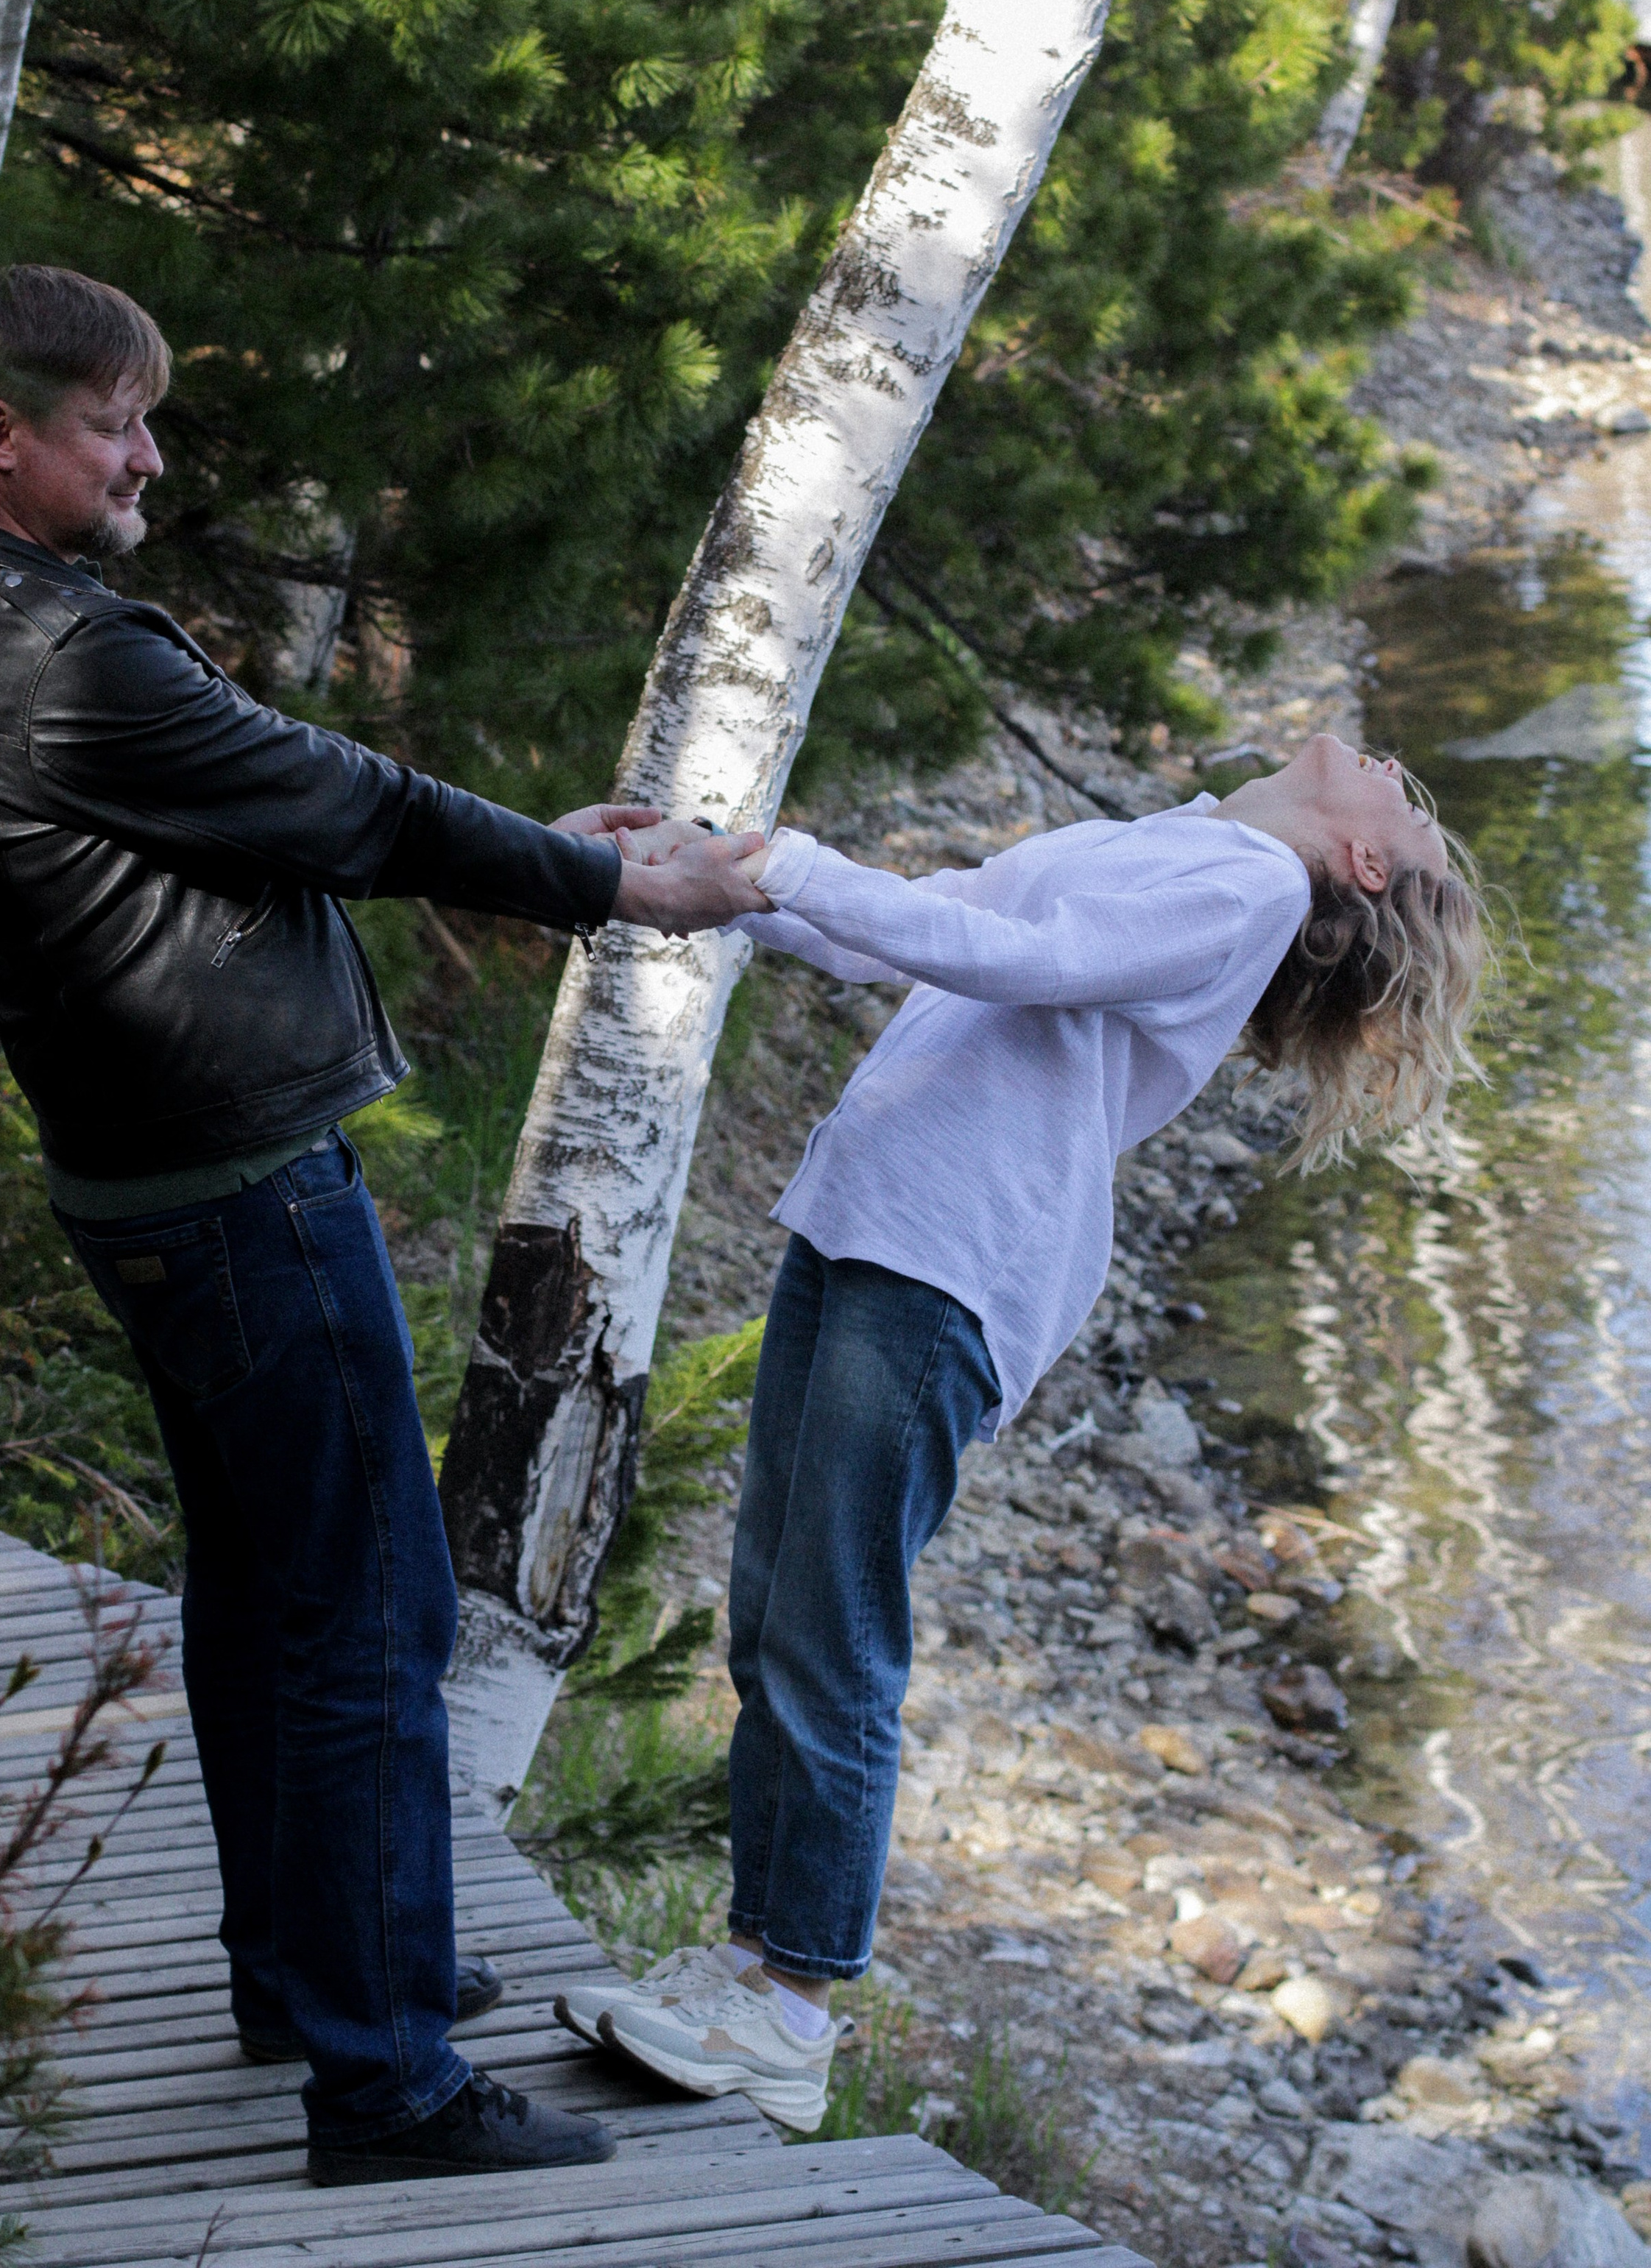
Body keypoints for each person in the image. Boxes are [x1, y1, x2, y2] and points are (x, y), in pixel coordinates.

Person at [0, 264, 761, 2186]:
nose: (149, 457)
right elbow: (337, 799)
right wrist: (621, 893)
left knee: (270, 1592)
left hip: (164, 1183)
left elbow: (270, 807)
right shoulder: (49, 650)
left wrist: (551, 848)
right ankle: (393, 2090)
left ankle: (308, 1975)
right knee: (371, 1615)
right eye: (116, 424)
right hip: (237, 1195)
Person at [555, 743, 1489, 2129]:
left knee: (831, 1624)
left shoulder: (1244, 888)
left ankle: (791, 2009)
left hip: (950, 1260)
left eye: (1409, 802)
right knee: (770, 1613)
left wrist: (787, 863)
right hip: (872, 1222)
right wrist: (725, 884)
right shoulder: (1174, 840)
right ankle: (750, 1964)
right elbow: (931, 922)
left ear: (1359, 861)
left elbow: (1008, 955)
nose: (1395, 771)